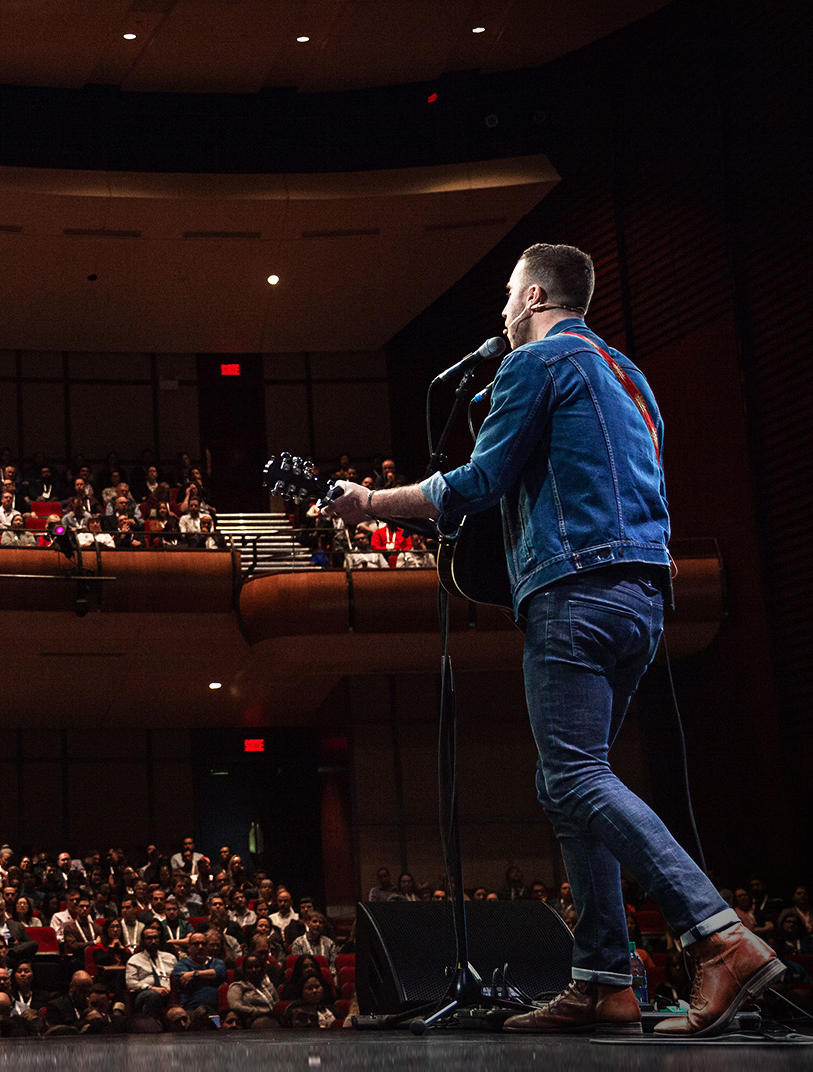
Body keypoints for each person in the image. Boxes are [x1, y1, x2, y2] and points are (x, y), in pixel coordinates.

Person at [327, 243, 782, 1036]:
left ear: (535, 295)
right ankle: (604, 980)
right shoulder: (632, 377)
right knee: (571, 784)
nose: (502, 310)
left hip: (574, 592)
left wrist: (370, 501)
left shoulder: (533, 366)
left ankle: (719, 935)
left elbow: (476, 483)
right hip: (643, 600)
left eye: (508, 295)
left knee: (571, 777)